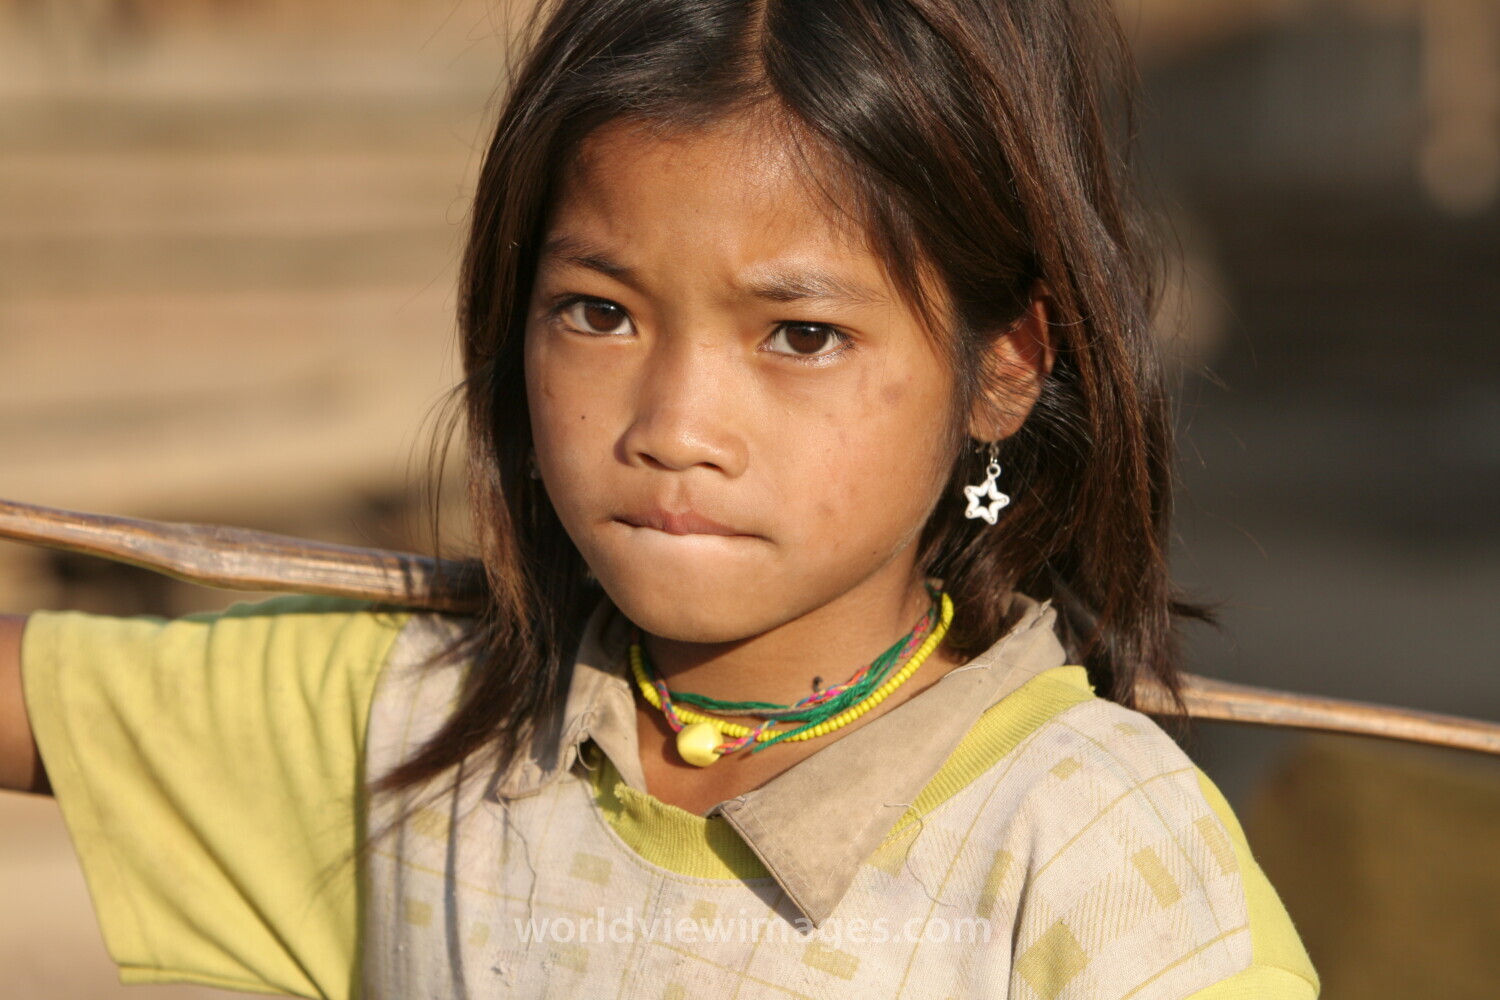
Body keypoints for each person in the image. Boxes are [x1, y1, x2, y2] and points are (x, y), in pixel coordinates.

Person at [0, 0, 1321, 996]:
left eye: (799, 335)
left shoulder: (1093, 852)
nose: (674, 427)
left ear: (1005, 369)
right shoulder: (421, 735)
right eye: (599, 312)